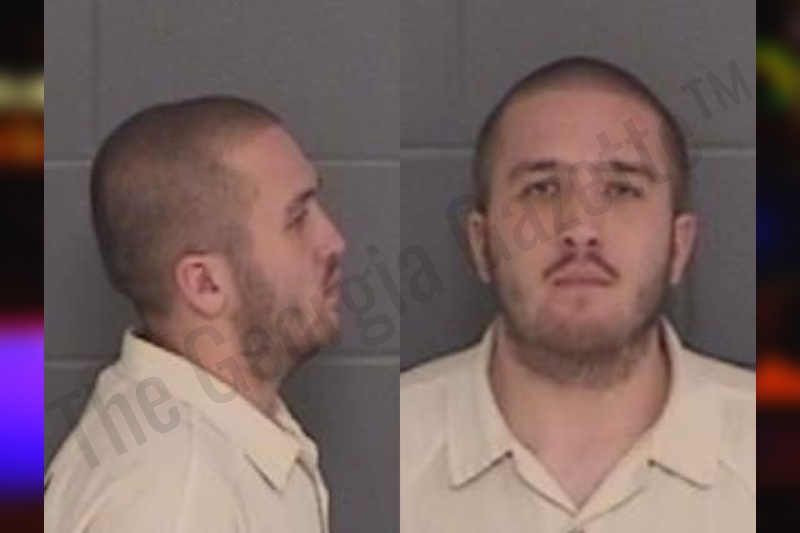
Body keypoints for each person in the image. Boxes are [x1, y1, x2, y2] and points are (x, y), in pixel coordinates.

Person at [401, 57, 755, 533]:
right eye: (542, 189)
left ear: (679, 245)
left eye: (622, 189)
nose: (580, 228)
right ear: (481, 245)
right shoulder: (395, 450)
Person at [45, 96, 345, 533]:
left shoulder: (210, 448)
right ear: (205, 284)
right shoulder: (177, 494)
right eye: (297, 218)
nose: (333, 240)